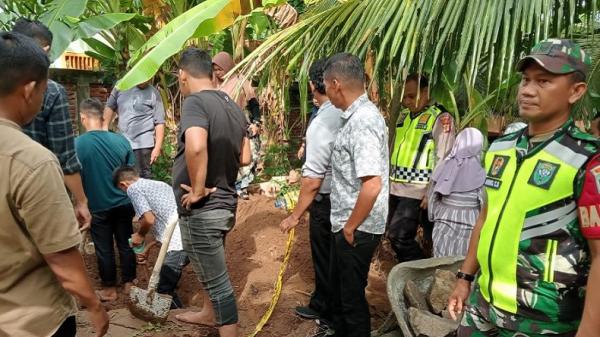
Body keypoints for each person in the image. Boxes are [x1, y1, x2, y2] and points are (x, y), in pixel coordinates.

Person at [447, 39, 600, 336]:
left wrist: (590, 330)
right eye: (526, 80)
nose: (527, 90)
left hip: (542, 320)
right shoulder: (501, 147)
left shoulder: (587, 159)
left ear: (576, 91)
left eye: (544, 81)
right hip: (484, 304)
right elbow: (485, 217)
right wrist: (465, 278)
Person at [0, 31, 108, 337]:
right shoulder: (32, 161)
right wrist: (94, 306)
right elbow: (61, 257)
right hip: (31, 321)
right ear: (30, 89)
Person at [172, 48, 251, 337]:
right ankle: (208, 314)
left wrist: (197, 190)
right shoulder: (232, 104)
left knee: (219, 284)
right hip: (226, 202)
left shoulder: (195, 102)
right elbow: (245, 157)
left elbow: (195, 145)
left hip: (204, 209)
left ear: (183, 74)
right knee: (211, 269)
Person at [323, 53, 388, 337]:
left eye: (324, 85)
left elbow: (372, 183)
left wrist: (350, 226)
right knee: (340, 297)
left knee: (351, 303)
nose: (325, 92)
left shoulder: (363, 121)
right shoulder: (353, 118)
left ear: (336, 84)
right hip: (349, 224)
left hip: (357, 227)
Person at [279, 59, 343, 323]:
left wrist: (295, 215)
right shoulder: (348, 112)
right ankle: (328, 305)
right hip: (345, 199)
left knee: (325, 257)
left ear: (313, 85)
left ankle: (326, 312)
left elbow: (313, 180)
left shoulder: (322, 121)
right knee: (337, 260)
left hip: (326, 201)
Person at [12, 18, 92, 230]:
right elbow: (64, 155)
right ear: (44, 50)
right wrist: (81, 201)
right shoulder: (51, 91)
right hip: (41, 192)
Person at [388, 74, 456, 262]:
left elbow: (444, 157)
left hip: (417, 192)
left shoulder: (441, 118)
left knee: (399, 236)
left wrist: (431, 191)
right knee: (393, 236)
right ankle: (411, 273)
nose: (406, 101)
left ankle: (418, 272)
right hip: (395, 188)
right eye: (404, 97)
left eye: (411, 96)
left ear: (425, 92)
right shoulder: (404, 116)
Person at [76, 98, 137, 302]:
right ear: (103, 117)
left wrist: (79, 202)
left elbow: (71, 174)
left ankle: (109, 289)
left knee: (104, 247)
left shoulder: (77, 144)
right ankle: (129, 283)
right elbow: (132, 174)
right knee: (126, 242)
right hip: (124, 203)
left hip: (98, 205)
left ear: (83, 118)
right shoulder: (121, 141)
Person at [113, 166, 189, 308]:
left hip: (178, 243)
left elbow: (149, 219)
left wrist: (140, 235)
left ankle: (173, 321)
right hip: (186, 236)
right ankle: (175, 316)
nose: (125, 192)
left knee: (163, 289)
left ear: (123, 185)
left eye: (122, 189)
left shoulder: (133, 189)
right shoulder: (158, 185)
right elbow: (167, 221)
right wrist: (147, 247)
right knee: (165, 284)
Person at [428, 128, 486, 257]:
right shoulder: (481, 173)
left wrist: (435, 215)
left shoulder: (444, 165)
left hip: (443, 222)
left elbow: (433, 196)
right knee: (462, 264)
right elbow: (484, 204)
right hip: (470, 226)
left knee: (440, 263)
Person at [213, 51, 260, 199]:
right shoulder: (213, 85)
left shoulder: (241, 81)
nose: (217, 73)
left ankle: (242, 187)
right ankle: (230, 187)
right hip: (223, 128)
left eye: (220, 69)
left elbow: (253, 104)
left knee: (248, 155)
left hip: (242, 125)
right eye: (214, 69)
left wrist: (256, 123)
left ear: (228, 67)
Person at [104, 80, 166, 178]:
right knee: (121, 177)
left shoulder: (154, 93)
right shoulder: (121, 86)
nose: (144, 80)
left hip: (143, 146)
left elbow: (159, 122)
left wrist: (157, 147)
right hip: (122, 143)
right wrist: (104, 130)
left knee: (141, 179)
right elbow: (110, 106)